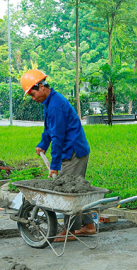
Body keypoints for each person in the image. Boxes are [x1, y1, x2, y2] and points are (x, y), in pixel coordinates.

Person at [20, 69, 94, 239]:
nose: (33, 98)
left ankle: (71, 231)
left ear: (41, 86)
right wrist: (42, 145)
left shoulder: (55, 106)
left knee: (67, 191)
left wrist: (54, 167)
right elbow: (49, 130)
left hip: (74, 151)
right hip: (73, 149)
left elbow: (58, 138)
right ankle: (88, 225)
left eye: (33, 94)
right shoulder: (50, 102)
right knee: (76, 190)